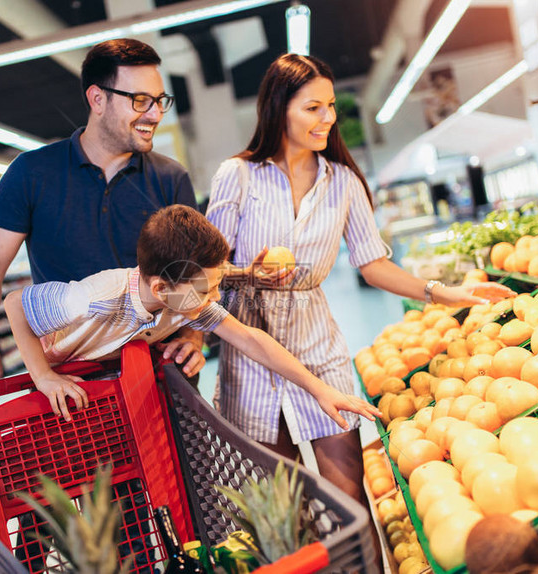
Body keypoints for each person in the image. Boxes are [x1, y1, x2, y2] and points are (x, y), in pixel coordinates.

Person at [205, 53, 514, 562]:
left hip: (316, 346)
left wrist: (443, 292)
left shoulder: (343, 182)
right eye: (313, 107)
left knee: (349, 498)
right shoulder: (238, 176)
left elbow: (372, 265)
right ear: (279, 108)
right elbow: (208, 268)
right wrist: (248, 274)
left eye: (330, 107)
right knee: (283, 507)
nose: (327, 118)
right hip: (250, 356)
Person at [0, 38, 205, 398]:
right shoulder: (31, 174)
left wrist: (193, 336)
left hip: (161, 376)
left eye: (160, 101)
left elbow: (194, 275)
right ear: (98, 99)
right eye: (141, 100)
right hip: (75, 383)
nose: (155, 114)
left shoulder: (170, 178)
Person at [3, 205, 381, 430]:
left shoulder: (180, 300)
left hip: (97, 387)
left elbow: (250, 338)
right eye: (204, 290)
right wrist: (44, 376)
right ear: (163, 289)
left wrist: (321, 390)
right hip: (48, 388)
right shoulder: (91, 298)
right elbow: (15, 303)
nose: (213, 298)